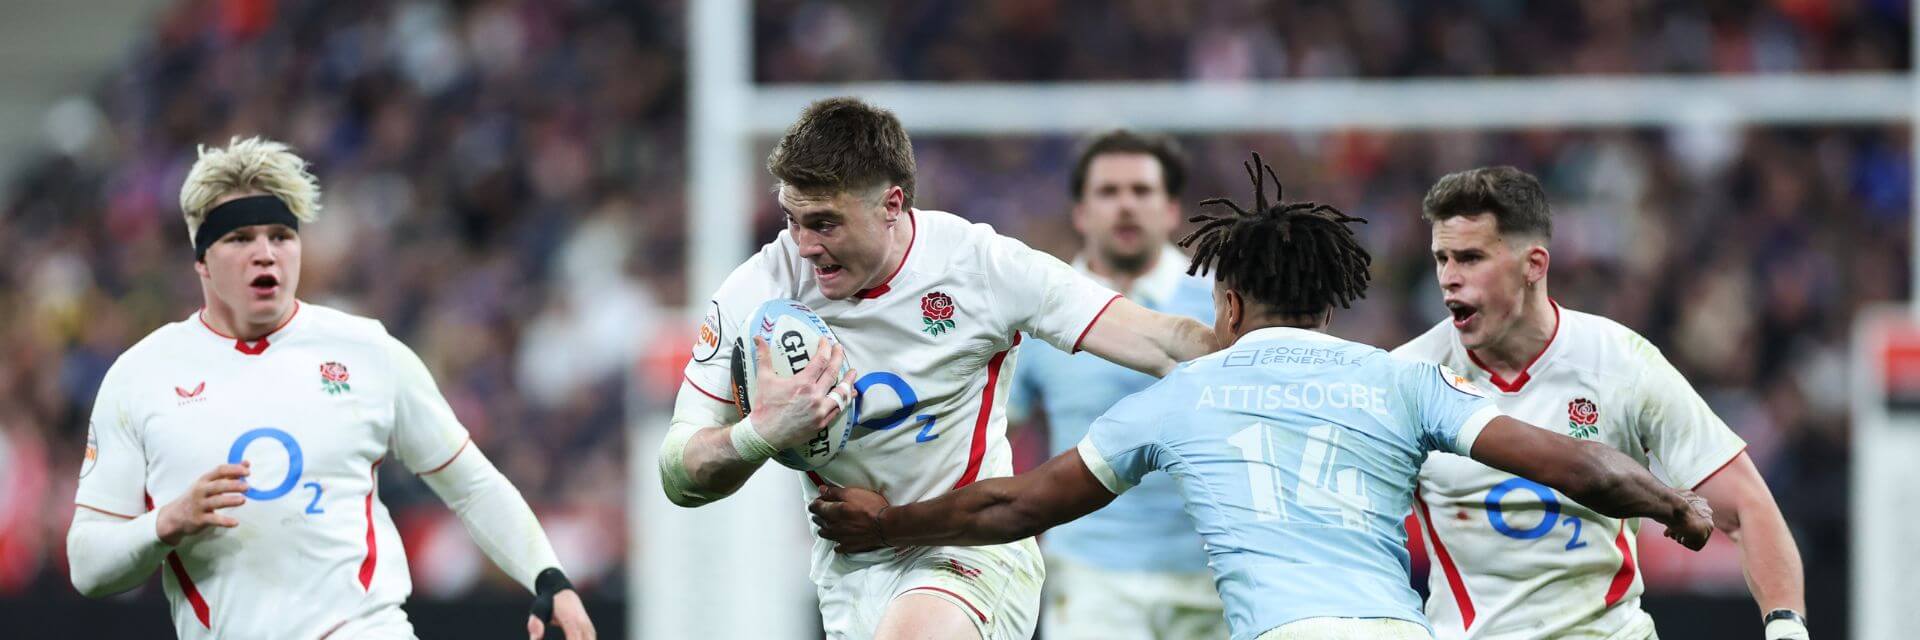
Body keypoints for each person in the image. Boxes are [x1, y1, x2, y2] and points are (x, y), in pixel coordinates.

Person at [807, 153, 1715, 640]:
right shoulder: (1402, 377)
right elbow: (1575, 466)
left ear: (1229, 300)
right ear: (1325, 298)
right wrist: (1673, 503)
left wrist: (888, 526)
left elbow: (1016, 503)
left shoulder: (1184, 394)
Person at [655, 98, 1218, 640]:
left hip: (968, 552)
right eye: (793, 220)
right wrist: (759, 434)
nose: (802, 246)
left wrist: (1279, 342)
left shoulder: (980, 266)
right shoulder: (759, 290)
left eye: (824, 224)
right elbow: (679, 474)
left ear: (892, 204)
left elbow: (1163, 341)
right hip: (851, 567)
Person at [65, 137, 595, 640]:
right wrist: (166, 522)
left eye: (281, 236)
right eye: (240, 239)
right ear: (202, 260)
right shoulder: (142, 377)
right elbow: (88, 565)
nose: (266, 253)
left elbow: (472, 483)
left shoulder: (367, 352)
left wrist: (549, 577)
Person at [1395, 166, 1809, 640]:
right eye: (1441, 258)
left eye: (1470, 258)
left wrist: (1786, 629)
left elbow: (1747, 506)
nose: (1448, 279)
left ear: (1534, 264)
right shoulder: (1408, 379)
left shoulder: (1622, 364)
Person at [1008, 130, 1225, 639]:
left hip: (1214, 574)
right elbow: (994, 431)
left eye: (1141, 191)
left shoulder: (1224, 304)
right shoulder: (1041, 315)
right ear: (1080, 213)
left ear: (1172, 209)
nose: (1125, 205)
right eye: (1108, 192)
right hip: (1089, 578)